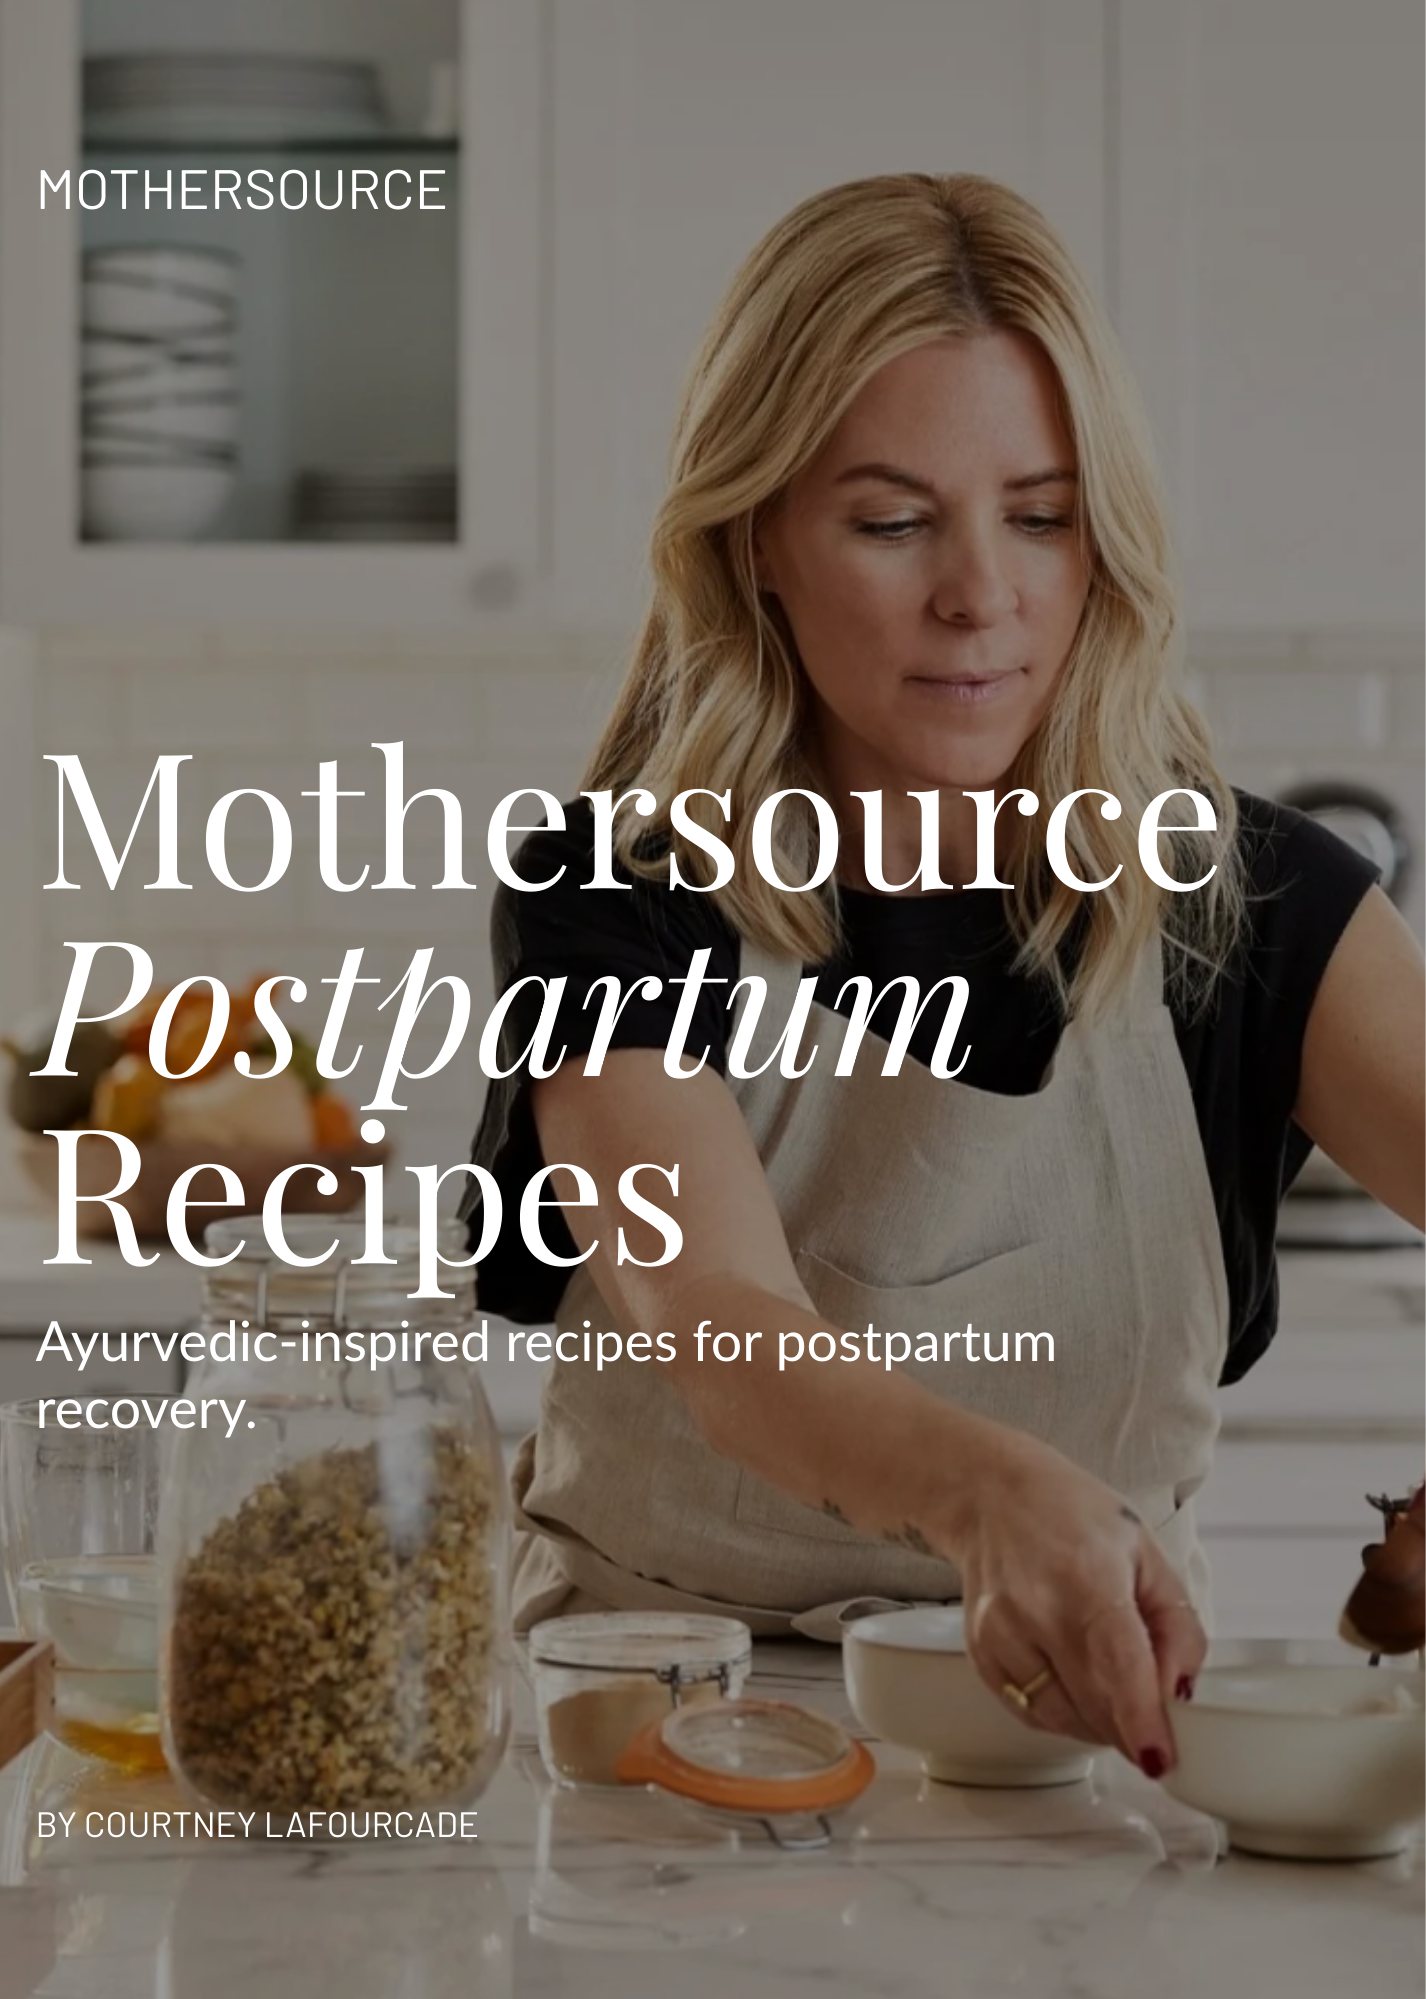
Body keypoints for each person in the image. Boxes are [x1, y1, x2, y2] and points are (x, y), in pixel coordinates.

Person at [464, 174, 1425, 1780]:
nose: (984, 593)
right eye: (894, 520)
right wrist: (991, 1488)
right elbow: (724, 1328)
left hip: (1107, 1762)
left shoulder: (1246, 908)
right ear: (758, 537)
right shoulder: (616, 898)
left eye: (1041, 516)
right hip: (666, 1748)